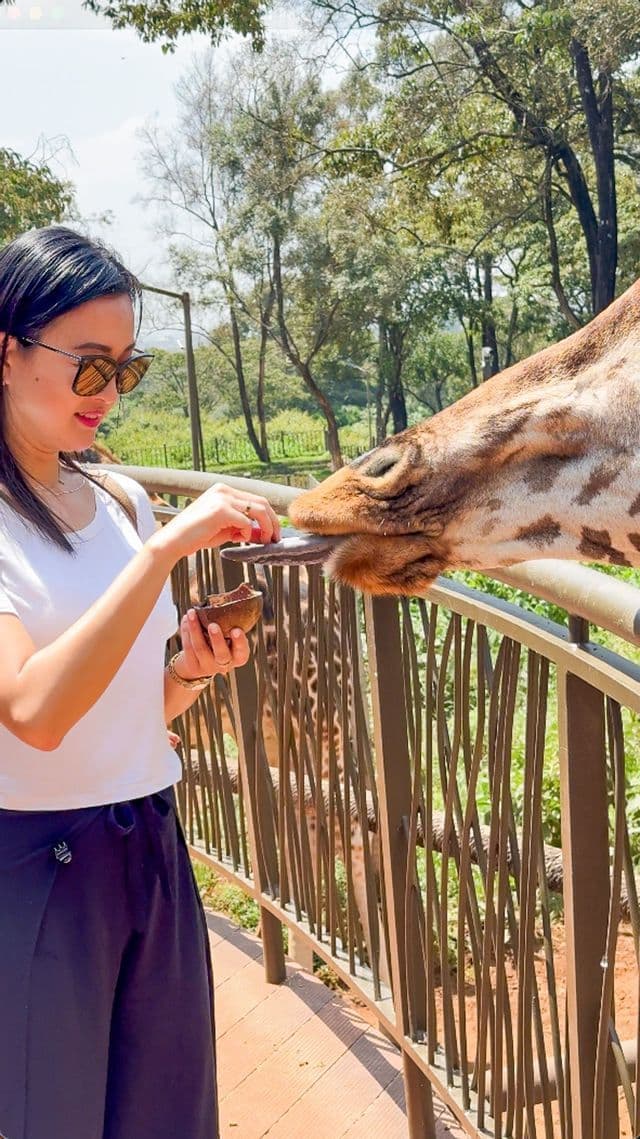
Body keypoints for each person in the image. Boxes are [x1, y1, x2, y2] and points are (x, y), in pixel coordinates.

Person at [0, 225, 280, 1139]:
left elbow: (120, 716)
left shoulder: (119, 500)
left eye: (126, 368)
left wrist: (188, 678)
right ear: (6, 350)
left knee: (168, 1115)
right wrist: (165, 552)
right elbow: (35, 714)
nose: (108, 392)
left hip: (149, 840)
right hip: (36, 867)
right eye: (88, 365)